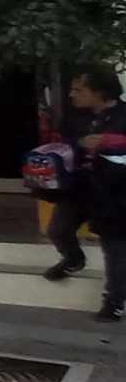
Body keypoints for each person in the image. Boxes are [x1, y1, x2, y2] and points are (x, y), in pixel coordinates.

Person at [46, 70, 126, 289]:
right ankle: (74, 259)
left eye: (78, 90)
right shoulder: (74, 118)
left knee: (114, 247)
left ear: (99, 91)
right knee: (58, 229)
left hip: (114, 193)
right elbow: (63, 146)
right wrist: (80, 144)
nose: (72, 94)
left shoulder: (123, 116)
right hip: (79, 187)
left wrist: (110, 144)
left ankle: (114, 299)